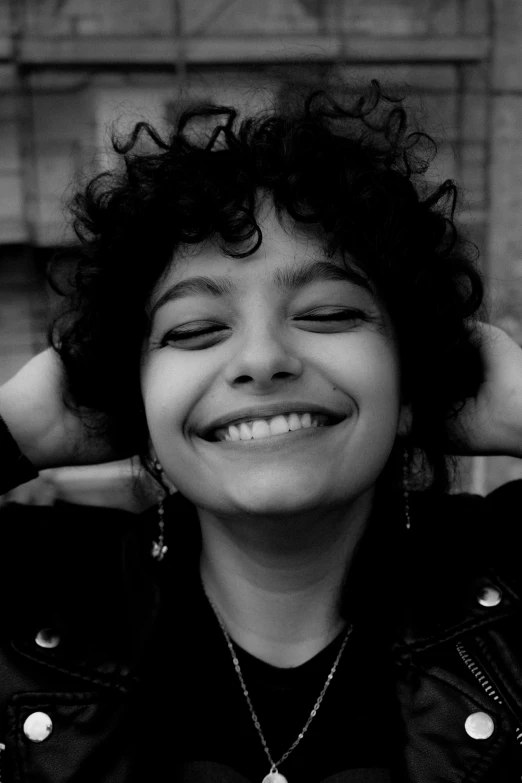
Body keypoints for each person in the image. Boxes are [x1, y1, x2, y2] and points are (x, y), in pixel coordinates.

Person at [1, 80, 522, 783]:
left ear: (411, 384)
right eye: (194, 329)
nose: (262, 360)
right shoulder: (32, 593)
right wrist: (15, 427)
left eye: (329, 314)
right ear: (137, 411)